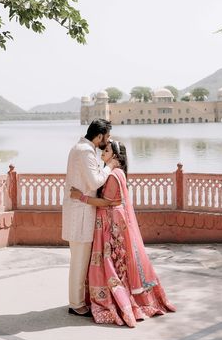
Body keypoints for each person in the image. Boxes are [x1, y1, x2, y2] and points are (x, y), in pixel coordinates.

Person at [70, 140, 176, 327]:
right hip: (112, 220)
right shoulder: (114, 173)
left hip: (110, 222)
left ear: (116, 156)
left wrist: (81, 197)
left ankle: (116, 301)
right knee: (115, 262)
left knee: (111, 261)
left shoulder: (113, 175)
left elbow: (106, 202)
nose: (103, 151)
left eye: (107, 150)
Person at [62, 118, 119, 317]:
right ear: (100, 136)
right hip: (81, 214)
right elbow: (95, 182)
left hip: (77, 212)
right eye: (108, 136)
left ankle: (76, 300)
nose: (108, 140)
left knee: (78, 260)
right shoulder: (85, 152)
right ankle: (76, 304)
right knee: (79, 261)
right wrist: (110, 166)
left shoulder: (79, 148)